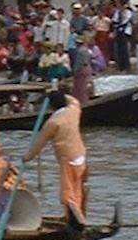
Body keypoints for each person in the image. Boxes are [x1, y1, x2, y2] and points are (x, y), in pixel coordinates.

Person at [22, 89, 89, 227]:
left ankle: (77, 219)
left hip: (67, 158)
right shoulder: (74, 110)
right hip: (80, 155)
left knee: (67, 192)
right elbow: (72, 100)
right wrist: (57, 93)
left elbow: (39, 144)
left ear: (51, 106)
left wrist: (27, 157)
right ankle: (75, 216)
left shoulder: (53, 123)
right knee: (77, 188)